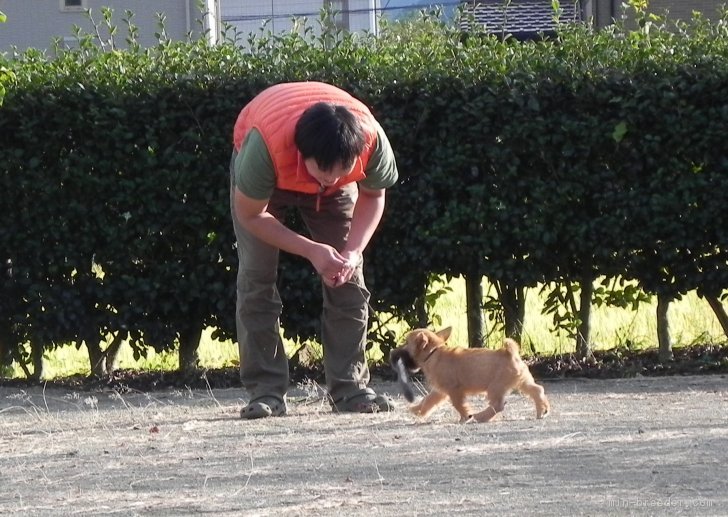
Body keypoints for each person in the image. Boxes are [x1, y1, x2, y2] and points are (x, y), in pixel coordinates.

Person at [229, 81, 399, 419]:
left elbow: (373, 195)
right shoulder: (265, 146)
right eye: (323, 172)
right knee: (257, 279)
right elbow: (251, 214)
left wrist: (352, 252)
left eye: (342, 172)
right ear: (301, 152)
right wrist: (311, 250)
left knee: (350, 280)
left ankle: (350, 390)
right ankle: (266, 393)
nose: (329, 181)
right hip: (266, 186)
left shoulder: (371, 139)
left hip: (315, 176)